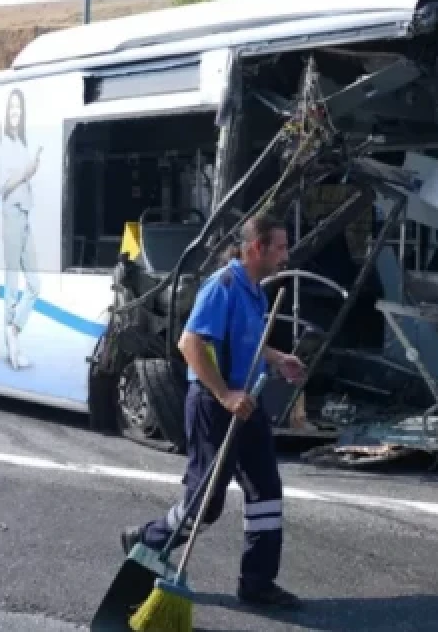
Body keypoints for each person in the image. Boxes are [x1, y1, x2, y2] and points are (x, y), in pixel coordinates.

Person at [120, 214, 307, 609]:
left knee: (266, 493)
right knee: (206, 503)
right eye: (280, 246)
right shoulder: (222, 286)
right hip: (214, 403)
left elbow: (246, 343)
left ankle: (257, 583)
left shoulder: (255, 290)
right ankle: (146, 539)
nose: (285, 254)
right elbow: (191, 345)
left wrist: (276, 359)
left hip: (246, 402)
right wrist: (224, 395)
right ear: (257, 248)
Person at [0, 89, 42, 370]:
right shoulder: (3, 144)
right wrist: (27, 171)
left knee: (35, 284)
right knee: (13, 282)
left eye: (19, 109)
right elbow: (3, 186)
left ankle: (13, 329)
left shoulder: (21, 143)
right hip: (12, 215)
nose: (15, 114)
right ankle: (11, 341)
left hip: (25, 214)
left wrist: (31, 168)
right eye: (12, 109)